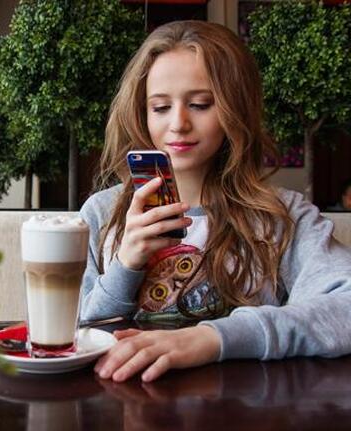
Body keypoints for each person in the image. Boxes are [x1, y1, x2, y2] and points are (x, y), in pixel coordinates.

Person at [79, 21, 351, 383]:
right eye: (160, 107)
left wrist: (214, 337)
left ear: (234, 109)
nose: (179, 123)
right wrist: (125, 266)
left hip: (246, 416)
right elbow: (68, 335)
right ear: (141, 113)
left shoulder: (282, 217)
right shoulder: (101, 213)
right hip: (123, 411)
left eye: (200, 104)